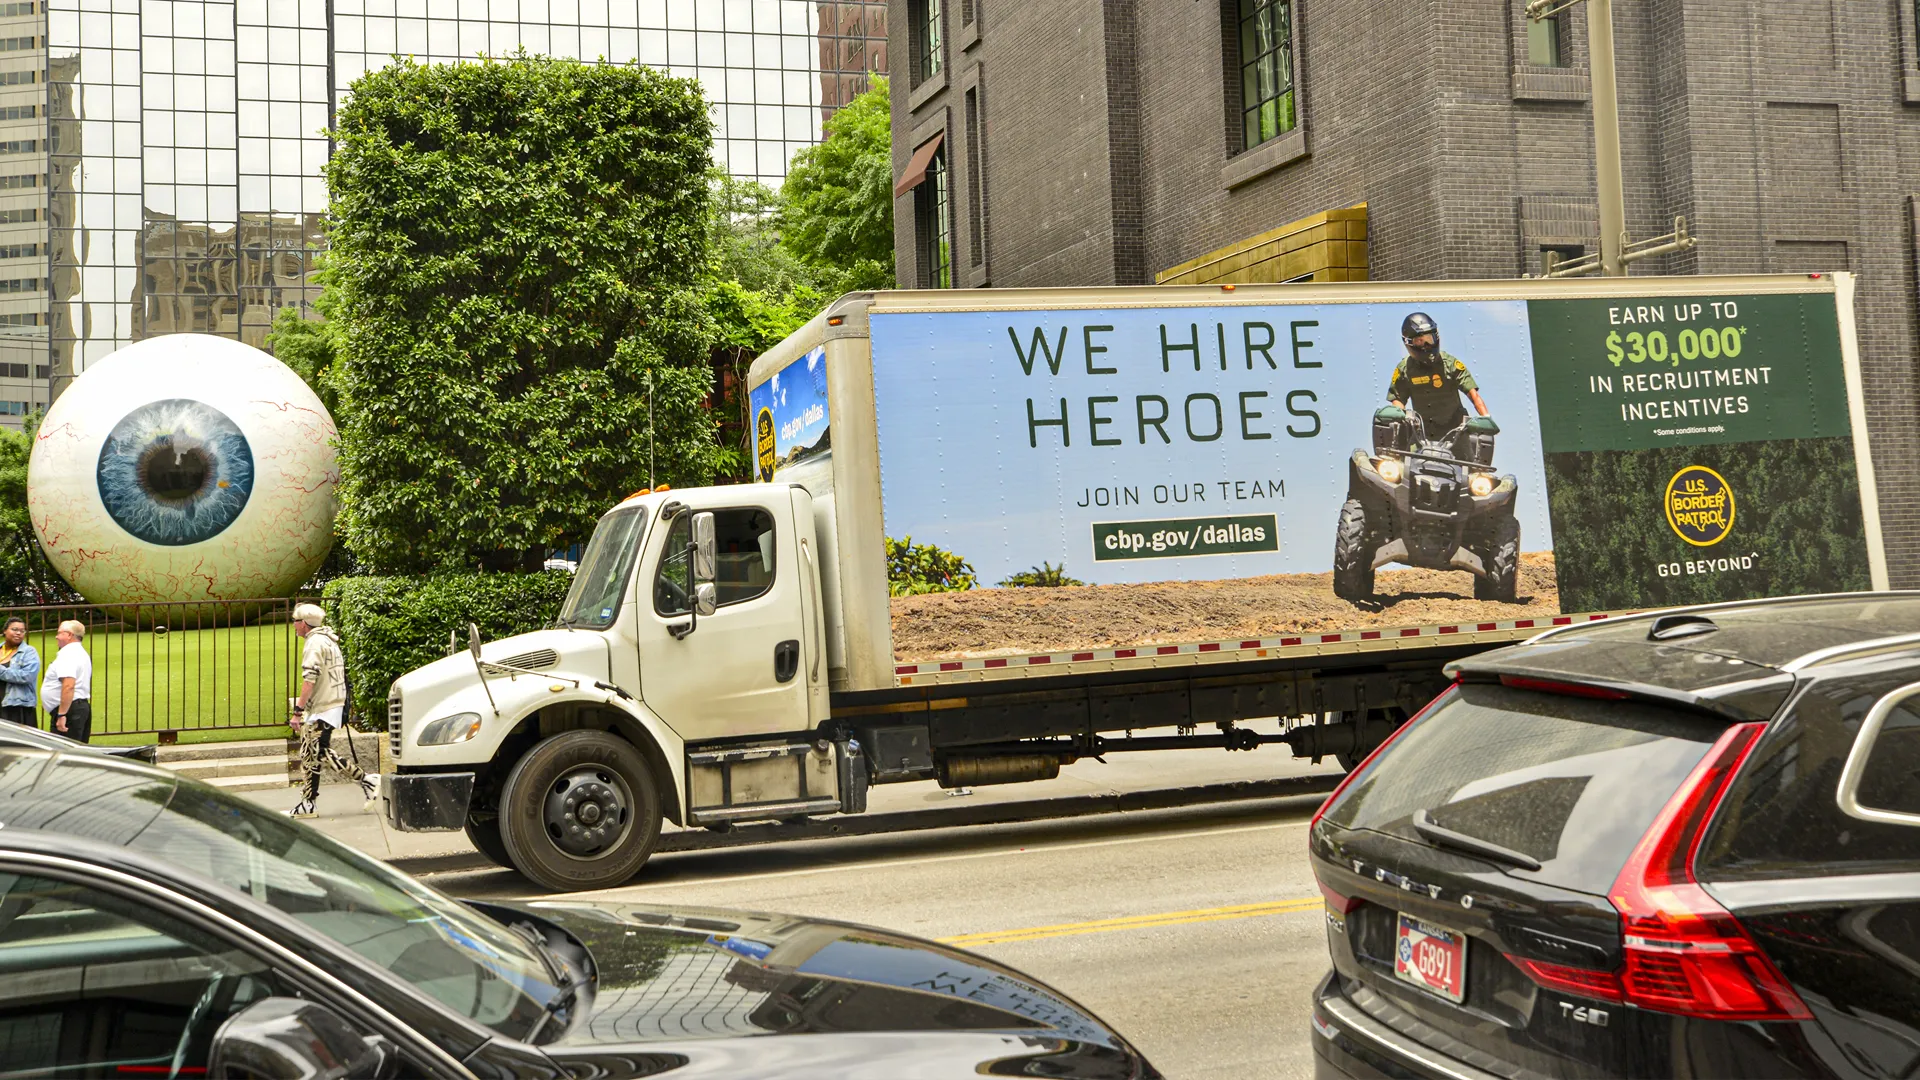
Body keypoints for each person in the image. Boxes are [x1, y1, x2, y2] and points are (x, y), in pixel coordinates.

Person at [287, 603, 375, 818]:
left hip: (323, 706)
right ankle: (308, 803)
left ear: (304, 624)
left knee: (315, 752)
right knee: (313, 752)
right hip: (331, 703)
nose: (294, 626)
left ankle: (366, 780)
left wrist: (298, 711)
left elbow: (309, 680)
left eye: (295, 622)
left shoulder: (314, 644)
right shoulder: (327, 639)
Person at [1387, 312, 1493, 438]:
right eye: (1420, 341)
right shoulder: (1404, 369)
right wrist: (1400, 417)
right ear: (1409, 342)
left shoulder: (1450, 364)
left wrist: (1486, 418)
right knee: (1402, 455)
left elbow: (1473, 395)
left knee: (1468, 455)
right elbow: (1398, 398)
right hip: (1422, 434)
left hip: (1456, 432)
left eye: (1429, 339)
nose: (1426, 345)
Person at [39, 620, 91, 743]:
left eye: (59, 633)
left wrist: (62, 715)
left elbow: (68, 685)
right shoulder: (80, 652)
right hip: (77, 708)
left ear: (69, 635)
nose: (56, 636)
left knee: (65, 753)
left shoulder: (68, 654)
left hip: (69, 711)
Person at [0, 617, 39, 726]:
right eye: (14, 629)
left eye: (22, 631)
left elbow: (27, 676)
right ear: (5, 630)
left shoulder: (29, 652)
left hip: (16, 706)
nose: (18, 633)